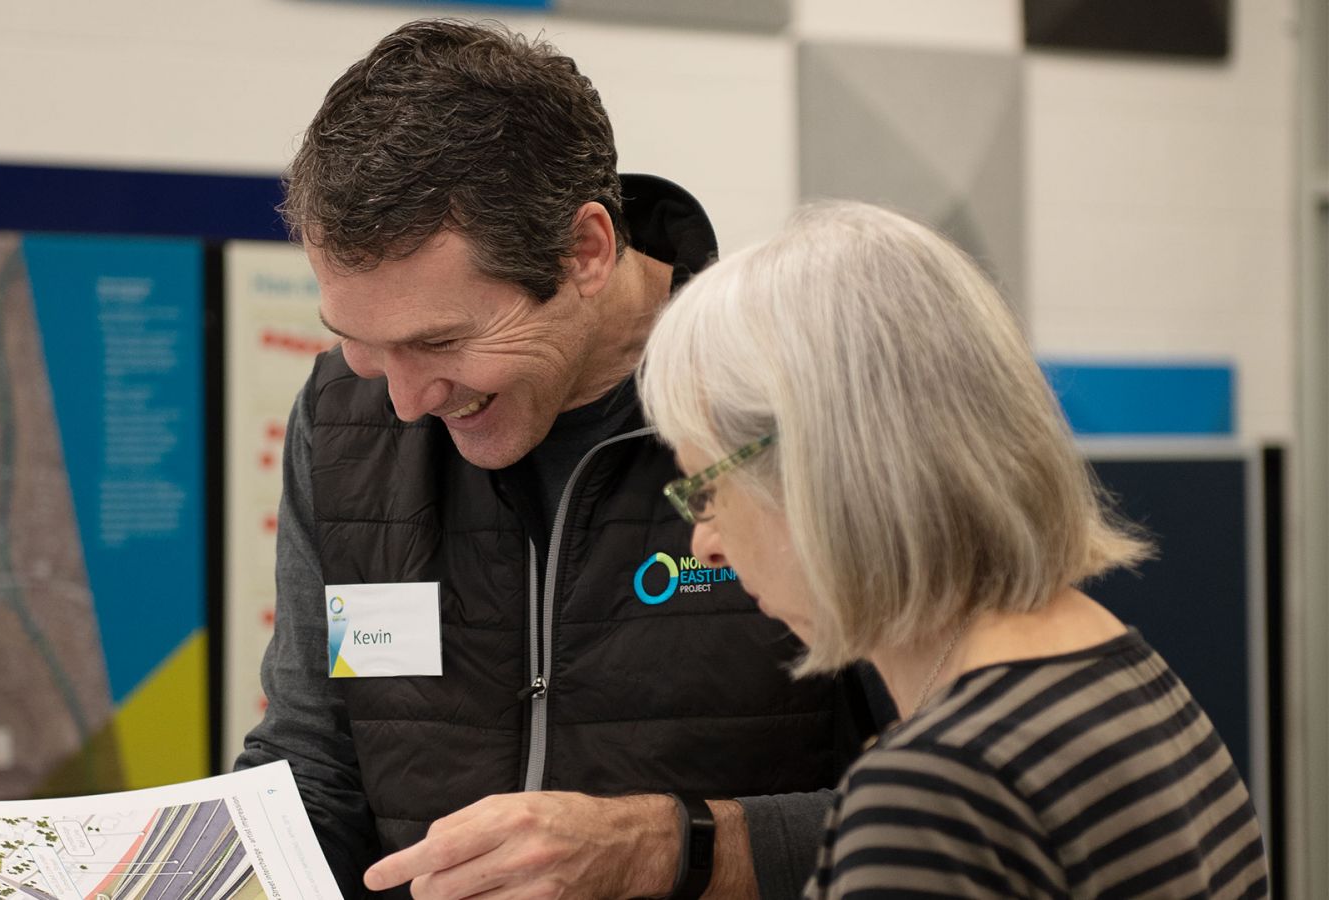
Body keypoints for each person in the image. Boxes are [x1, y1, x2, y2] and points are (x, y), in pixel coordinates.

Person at [235, 18, 885, 900]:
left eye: (439, 341)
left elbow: (982, 799)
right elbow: (315, 765)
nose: (402, 401)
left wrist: (673, 848)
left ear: (584, 251)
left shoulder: (807, 396)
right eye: (358, 341)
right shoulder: (341, 416)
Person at [638, 199, 1271, 897]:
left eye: (706, 487)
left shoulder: (934, 794)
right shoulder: (1126, 675)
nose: (705, 540)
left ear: (824, 470)